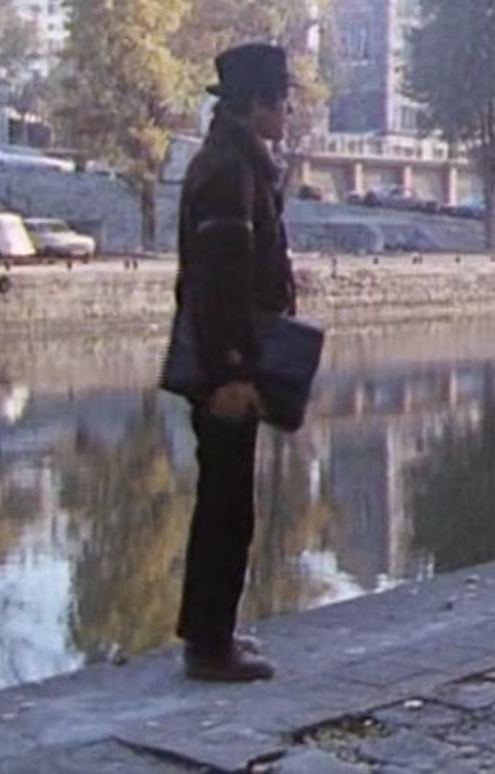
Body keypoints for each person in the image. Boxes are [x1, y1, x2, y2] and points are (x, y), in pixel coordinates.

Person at [172, 42, 297, 681]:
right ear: (256, 103)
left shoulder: (235, 163)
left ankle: (209, 632)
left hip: (232, 360)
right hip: (227, 368)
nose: (289, 110)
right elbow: (220, 283)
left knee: (224, 499)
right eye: (283, 98)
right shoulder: (230, 171)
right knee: (227, 507)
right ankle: (209, 646)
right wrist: (231, 372)